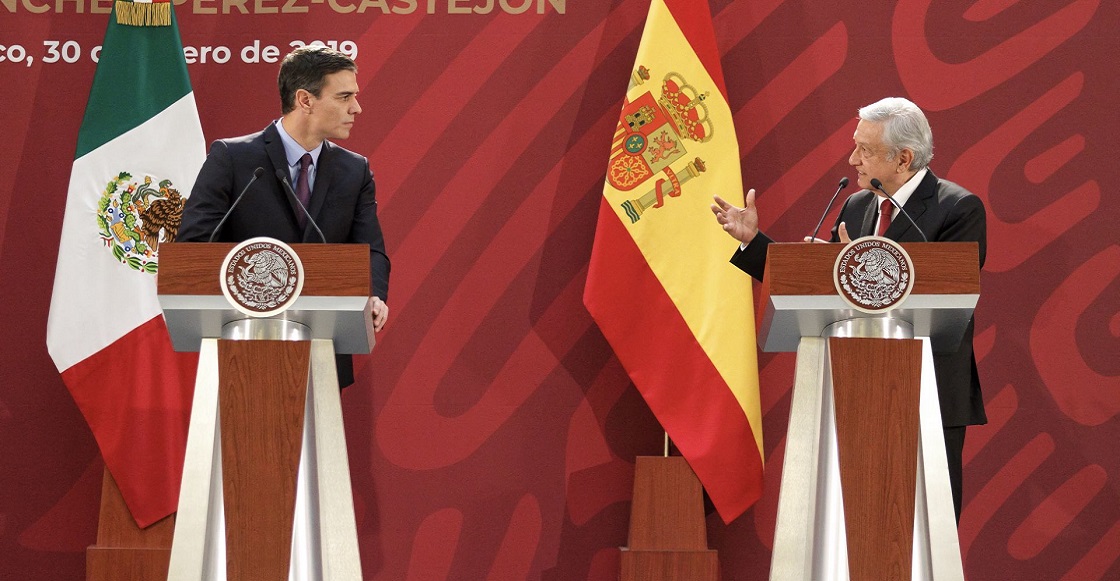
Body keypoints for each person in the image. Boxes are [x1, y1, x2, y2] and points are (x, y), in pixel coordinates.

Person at [711, 97, 986, 522]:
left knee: (925, 530)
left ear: (904, 158)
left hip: (927, 392)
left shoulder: (958, 209)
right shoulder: (858, 205)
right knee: (854, 526)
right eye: (855, 145)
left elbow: (947, 294)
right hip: (855, 387)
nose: (852, 159)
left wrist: (858, 271)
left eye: (865, 150)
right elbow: (826, 283)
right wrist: (755, 241)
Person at [178, 45, 390, 387]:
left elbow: (371, 249)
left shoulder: (355, 170)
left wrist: (374, 293)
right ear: (305, 100)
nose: (356, 107)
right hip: (241, 348)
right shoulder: (233, 158)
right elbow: (194, 245)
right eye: (344, 96)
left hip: (323, 350)